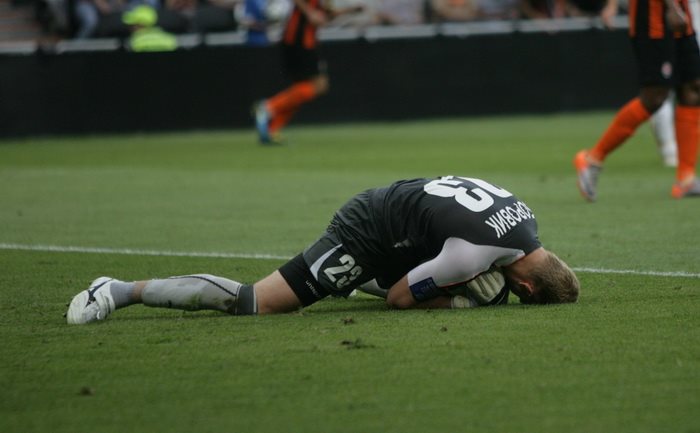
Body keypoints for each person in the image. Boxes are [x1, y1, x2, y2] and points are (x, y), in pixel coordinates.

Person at [66, 175, 580, 324]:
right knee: (257, 302)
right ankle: (117, 290)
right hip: (369, 231)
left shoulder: (527, 218)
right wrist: (460, 302)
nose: (512, 295)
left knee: (429, 274)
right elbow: (401, 299)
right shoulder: (471, 255)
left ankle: (353, 282)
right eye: (519, 296)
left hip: (408, 224)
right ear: (527, 284)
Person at [574, 0, 700, 200]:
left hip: (682, 17)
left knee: (692, 89)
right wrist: (672, 7)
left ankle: (686, 178)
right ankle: (592, 158)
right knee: (655, 96)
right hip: (654, 21)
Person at [252, 0, 363, 145]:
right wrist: (310, 13)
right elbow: (310, 11)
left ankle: (270, 130)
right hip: (300, 40)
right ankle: (268, 107)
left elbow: (326, 14)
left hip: (303, 41)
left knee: (300, 90)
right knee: (319, 86)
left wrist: (350, 10)